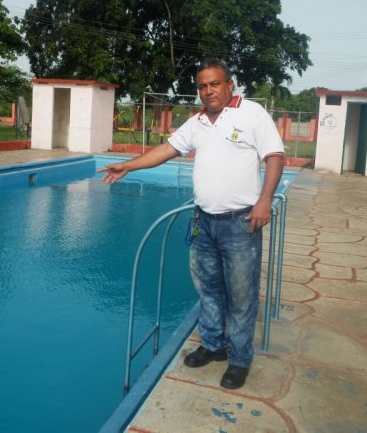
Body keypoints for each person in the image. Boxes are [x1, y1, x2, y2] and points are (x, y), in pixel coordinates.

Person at [98, 58, 285, 389]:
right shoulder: (196, 123)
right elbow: (167, 150)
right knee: (208, 289)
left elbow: (275, 156)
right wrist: (129, 165)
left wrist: (265, 200)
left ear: (230, 84)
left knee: (242, 295)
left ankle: (240, 359)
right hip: (203, 222)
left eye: (214, 84)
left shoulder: (252, 113)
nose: (208, 91)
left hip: (241, 223)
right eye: (202, 86)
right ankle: (214, 345)